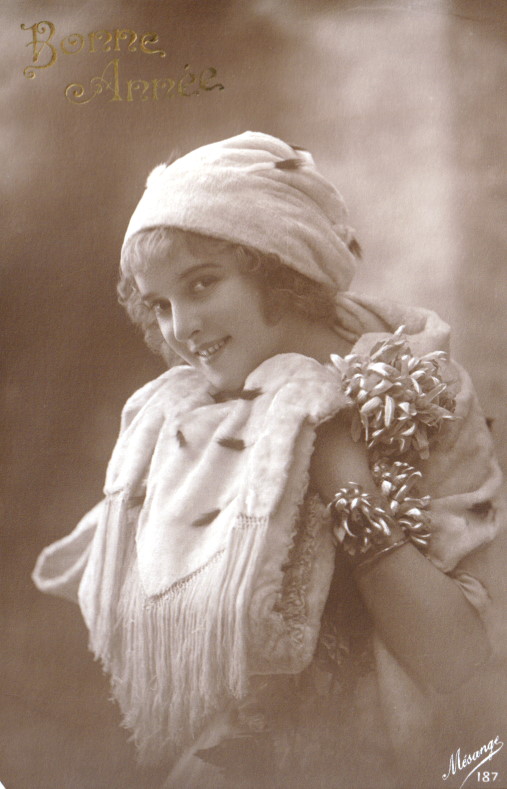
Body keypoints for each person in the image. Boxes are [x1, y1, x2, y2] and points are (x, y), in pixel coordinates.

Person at [33, 132, 506, 788]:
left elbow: (458, 660)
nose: (181, 328)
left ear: (279, 268)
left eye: (202, 284)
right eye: (161, 304)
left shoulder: (419, 391)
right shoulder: (182, 421)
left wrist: (341, 476)